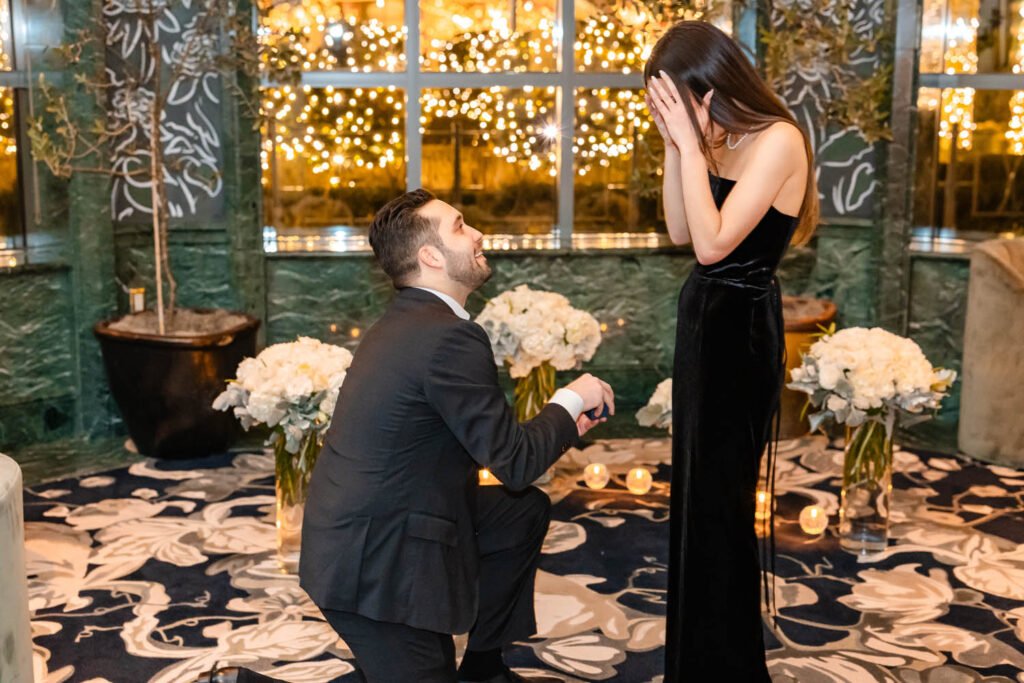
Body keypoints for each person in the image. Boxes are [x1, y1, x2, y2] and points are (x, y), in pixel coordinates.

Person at [298, 188, 615, 683]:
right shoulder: (448, 336)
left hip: (376, 526)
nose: (478, 234)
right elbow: (514, 460)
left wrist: (562, 424)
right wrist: (572, 397)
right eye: (461, 227)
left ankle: (485, 665)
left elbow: (494, 447)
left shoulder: (412, 322)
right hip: (372, 569)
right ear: (430, 256)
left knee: (518, 511)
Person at [643, 20, 819, 682]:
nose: (674, 118)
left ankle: (729, 667)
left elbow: (718, 248)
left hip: (741, 334)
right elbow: (682, 230)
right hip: (703, 326)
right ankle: (696, 660)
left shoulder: (778, 139)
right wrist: (676, 146)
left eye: (674, 102)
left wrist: (692, 149)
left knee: (722, 507)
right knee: (693, 501)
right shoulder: (716, 141)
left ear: (710, 88)